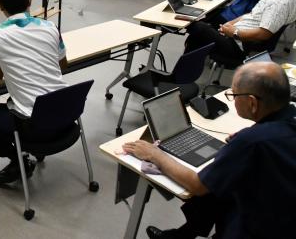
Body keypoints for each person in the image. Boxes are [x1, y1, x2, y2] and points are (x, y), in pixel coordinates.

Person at [125, 61, 296, 239]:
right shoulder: (282, 125)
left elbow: (198, 185)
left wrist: (155, 155)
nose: (233, 99)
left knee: (212, 189)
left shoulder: (251, 142)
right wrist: (251, 135)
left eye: (234, 95)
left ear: (252, 103)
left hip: (259, 228)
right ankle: (183, 235)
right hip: (285, 214)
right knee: (221, 183)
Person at [0, 0, 67, 186]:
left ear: (0, 5)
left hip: (33, 126)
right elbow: (62, 65)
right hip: (65, 115)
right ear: (30, 1)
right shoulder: (51, 27)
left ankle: (18, 161)